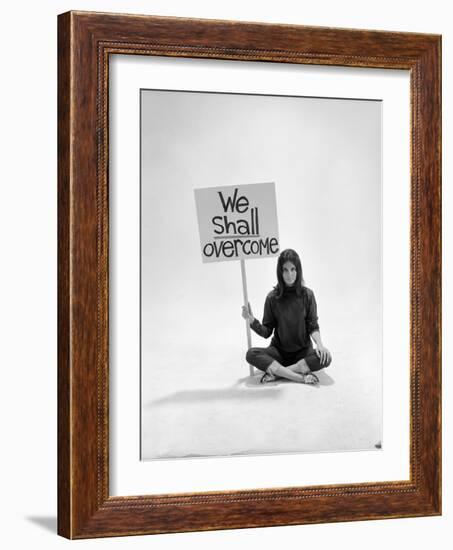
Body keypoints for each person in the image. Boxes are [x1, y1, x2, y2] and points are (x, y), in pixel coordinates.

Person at [242, 248, 332, 384]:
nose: (289, 274)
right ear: (280, 272)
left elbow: (313, 325)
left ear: (298, 270)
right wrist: (252, 321)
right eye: (285, 270)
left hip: (303, 353)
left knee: (326, 357)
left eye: (293, 269)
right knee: (251, 354)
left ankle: (278, 373)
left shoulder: (308, 295)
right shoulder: (272, 298)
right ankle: (300, 377)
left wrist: (320, 345)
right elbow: (266, 332)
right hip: (279, 353)